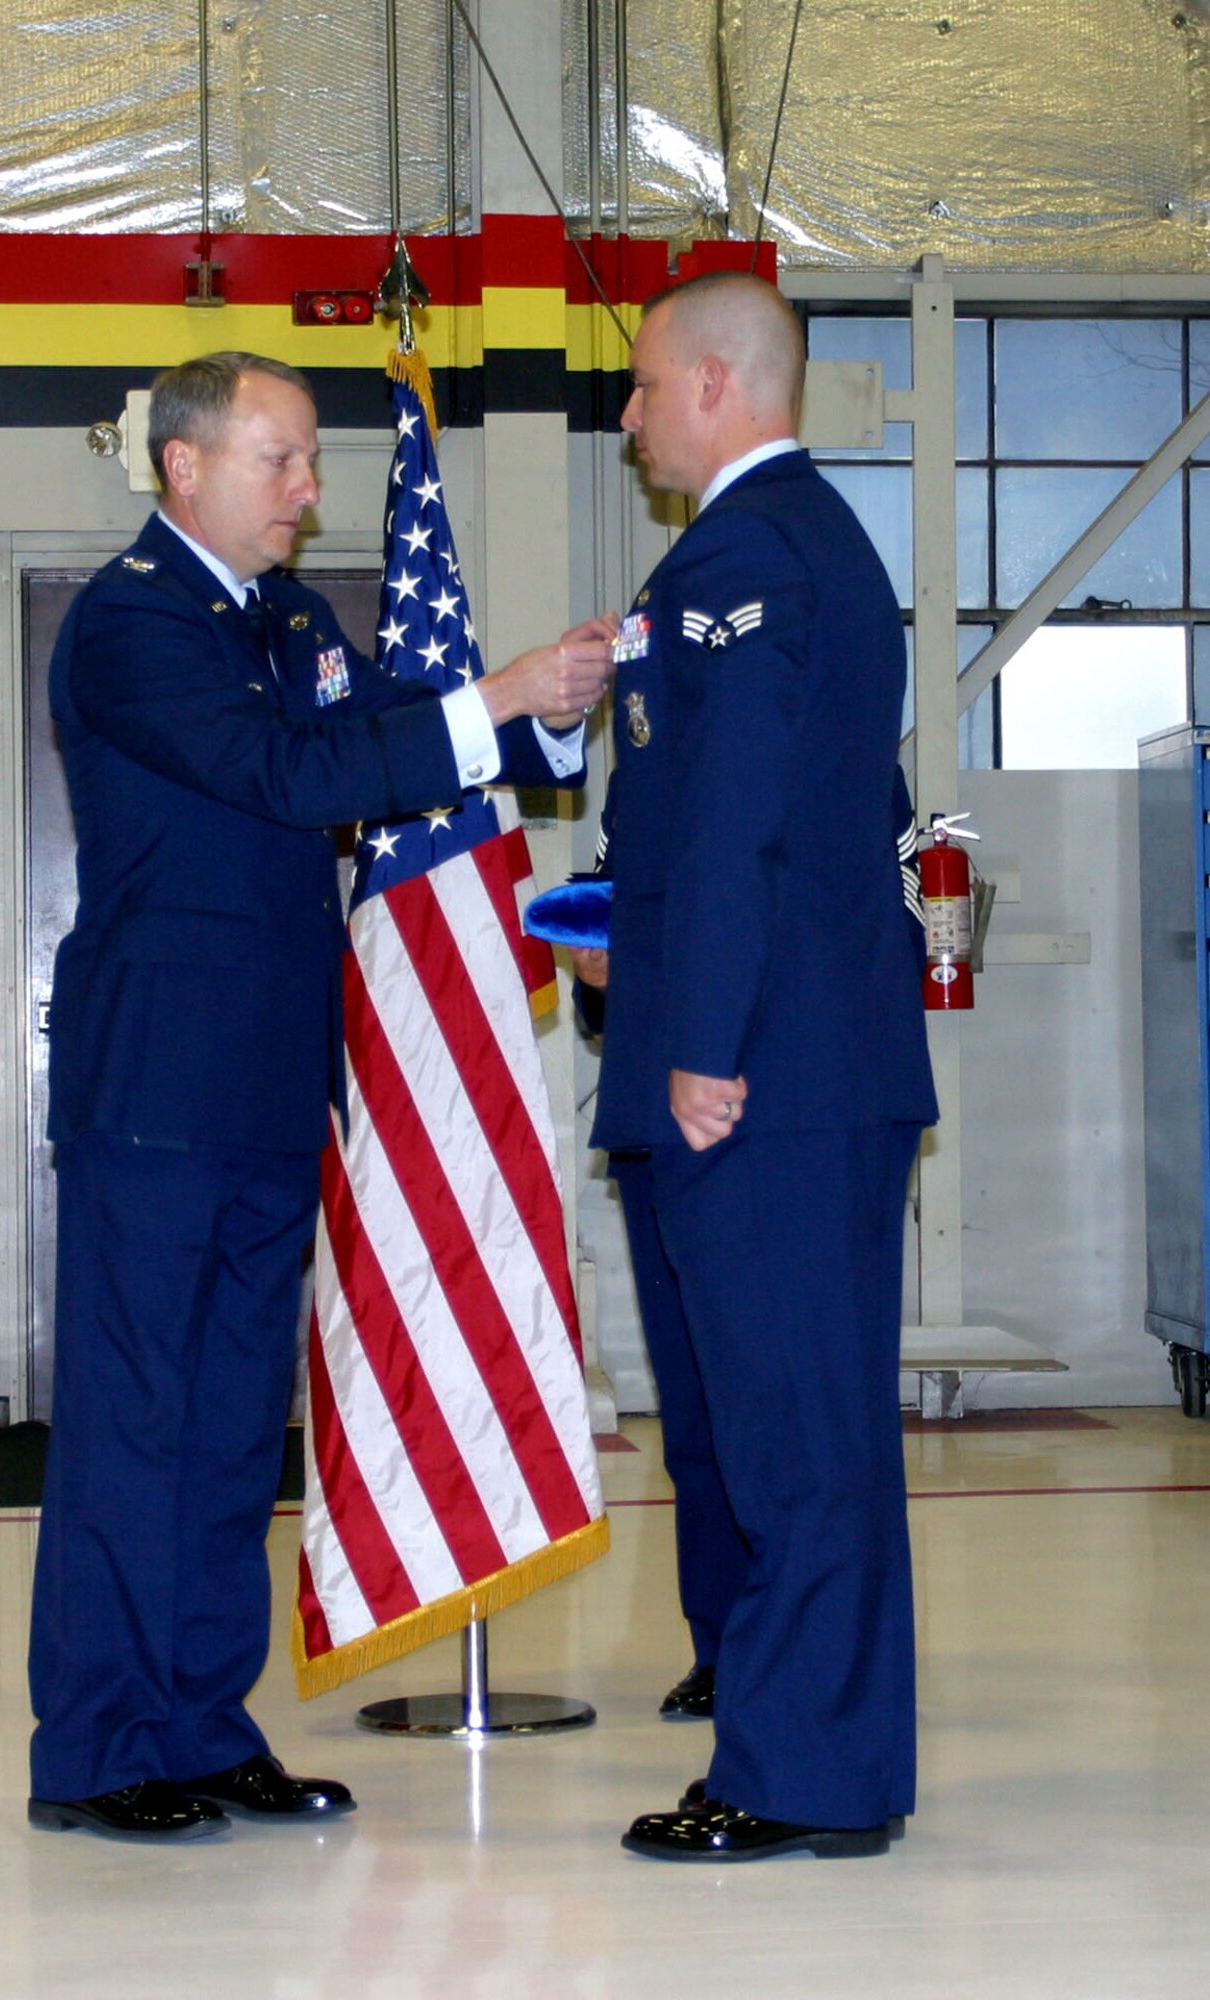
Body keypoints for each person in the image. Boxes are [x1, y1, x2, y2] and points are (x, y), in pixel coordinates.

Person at [27, 349, 614, 1843]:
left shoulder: (288, 618)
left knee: (229, 1433)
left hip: (277, 1088)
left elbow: (387, 746)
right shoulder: (129, 626)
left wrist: (542, 717)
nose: (309, 488)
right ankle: (97, 1751)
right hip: (155, 1093)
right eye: (280, 458)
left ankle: (202, 1727)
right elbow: (290, 777)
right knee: (133, 1431)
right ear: (184, 466)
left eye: (307, 460)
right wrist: (489, 706)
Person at [590, 274, 937, 1863]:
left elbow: (740, 822)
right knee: (811, 1434)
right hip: (806, 1062)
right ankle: (829, 1761)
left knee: (796, 1441)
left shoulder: (749, 560)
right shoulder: (810, 550)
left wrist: (703, 1043)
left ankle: (795, 1776)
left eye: (648, 385)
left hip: (768, 1076)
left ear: (717, 384)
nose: (630, 413)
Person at [571, 787, 740, 1727]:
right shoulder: (634, 790)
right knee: (693, 1415)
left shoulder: (770, 731)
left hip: (744, 1116)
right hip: (646, 1110)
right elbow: (611, 906)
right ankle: (718, 1640)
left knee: (759, 1407)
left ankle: (777, 1635)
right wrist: (598, 978)